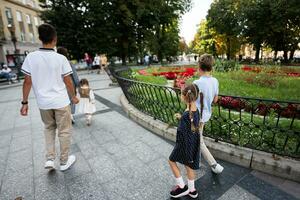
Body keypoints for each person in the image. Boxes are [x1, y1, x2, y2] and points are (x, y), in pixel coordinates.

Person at [20, 23, 79, 171]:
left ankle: (50, 159)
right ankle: (64, 161)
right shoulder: (60, 59)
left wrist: (25, 102)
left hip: (43, 103)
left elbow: (27, 81)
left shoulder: (31, 58)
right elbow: (68, 81)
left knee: (48, 128)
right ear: (55, 39)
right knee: (64, 131)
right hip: (61, 101)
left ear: (40, 38)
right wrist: (74, 96)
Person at [168, 84, 202, 199]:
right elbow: (191, 125)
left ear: (184, 97)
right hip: (193, 144)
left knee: (171, 161)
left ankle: (182, 187)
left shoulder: (187, 114)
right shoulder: (194, 109)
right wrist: (181, 117)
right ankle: (192, 190)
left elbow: (182, 132)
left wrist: (181, 119)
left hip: (184, 144)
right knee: (189, 166)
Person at [193, 53, 224, 174]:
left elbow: (192, 100)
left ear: (200, 67)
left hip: (197, 116)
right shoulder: (215, 81)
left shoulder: (197, 82)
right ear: (211, 67)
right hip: (206, 114)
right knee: (196, 138)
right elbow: (215, 99)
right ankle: (196, 159)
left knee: (199, 140)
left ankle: (214, 165)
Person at [57, 47, 80, 124]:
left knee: (64, 102)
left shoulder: (56, 63)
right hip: (70, 85)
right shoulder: (68, 63)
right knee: (71, 100)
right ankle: (70, 116)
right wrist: (77, 84)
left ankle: (66, 116)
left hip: (59, 86)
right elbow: (74, 76)